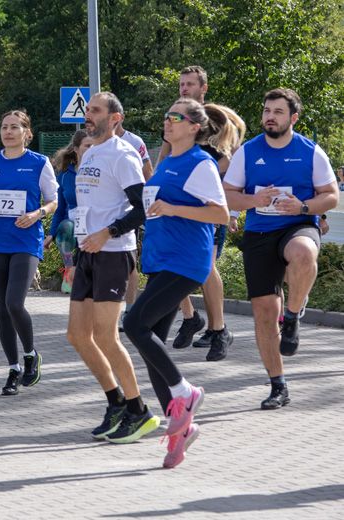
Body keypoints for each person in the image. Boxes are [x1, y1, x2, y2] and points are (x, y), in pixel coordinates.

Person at [123, 99, 231, 468]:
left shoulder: (200, 163)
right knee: (151, 345)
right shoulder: (168, 161)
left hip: (185, 261)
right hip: (161, 259)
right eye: (166, 116)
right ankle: (179, 429)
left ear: (194, 126)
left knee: (133, 324)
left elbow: (220, 214)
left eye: (175, 118)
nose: (167, 122)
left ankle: (185, 392)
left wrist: (172, 209)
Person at [222, 88, 338, 410]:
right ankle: (278, 385)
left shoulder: (311, 152)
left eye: (278, 111)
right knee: (262, 314)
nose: (270, 116)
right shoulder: (248, 152)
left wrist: (302, 207)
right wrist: (253, 201)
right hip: (259, 233)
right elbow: (228, 194)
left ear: (293, 118)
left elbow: (330, 195)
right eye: (266, 111)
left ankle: (294, 313)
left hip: (297, 225)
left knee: (303, 254)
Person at [64, 92, 159, 444]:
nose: (89, 115)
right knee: (77, 335)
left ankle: (140, 411)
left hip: (114, 252)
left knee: (106, 335)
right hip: (89, 252)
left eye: (96, 110)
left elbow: (142, 207)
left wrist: (109, 232)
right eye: (88, 109)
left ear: (116, 118)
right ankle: (116, 401)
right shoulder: (90, 152)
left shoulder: (123, 155)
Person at [0, 109, 58, 395]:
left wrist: (37, 214)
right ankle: (13, 368)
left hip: (25, 241)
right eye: (4, 127)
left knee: (14, 303)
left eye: (14, 127)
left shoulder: (39, 163)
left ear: (27, 133)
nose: (8, 132)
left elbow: (53, 201)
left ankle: (31, 354)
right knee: (1, 308)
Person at [158, 67, 237, 361]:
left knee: (205, 268)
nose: (184, 88)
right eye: (180, 84)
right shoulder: (174, 118)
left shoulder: (214, 119)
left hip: (206, 205)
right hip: (175, 205)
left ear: (203, 88)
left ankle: (219, 329)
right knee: (174, 264)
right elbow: (164, 158)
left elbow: (230, 161)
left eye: (189, 84)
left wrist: (199, 180)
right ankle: (191, 317)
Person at [115, 117, 153, 325]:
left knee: (129, 264)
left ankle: (129, 310)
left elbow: (148, 173)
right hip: (102, 212)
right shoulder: (94, 141)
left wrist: (148, 205)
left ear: (116, 117)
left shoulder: (134, 141)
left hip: (130, 209)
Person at [47, 130, 93, 293]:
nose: (92, 149)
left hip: (97, 224)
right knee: (65, 227)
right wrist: (52, 234)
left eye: (95, 145)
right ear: (76, 149)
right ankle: (69, 270)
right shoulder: (65, 175)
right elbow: (59, 208)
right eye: (88, 146)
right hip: (73, 225)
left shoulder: (103, 171)